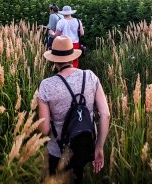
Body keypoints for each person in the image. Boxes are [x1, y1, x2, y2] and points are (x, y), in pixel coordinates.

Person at [38, 36, 110, 183]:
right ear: (72, 56)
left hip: (58, 152)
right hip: (83, 147)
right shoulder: (90, 76)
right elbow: (105, 114)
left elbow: (44, 130)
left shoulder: (46, 85)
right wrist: (99, 147)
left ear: (54, 59)